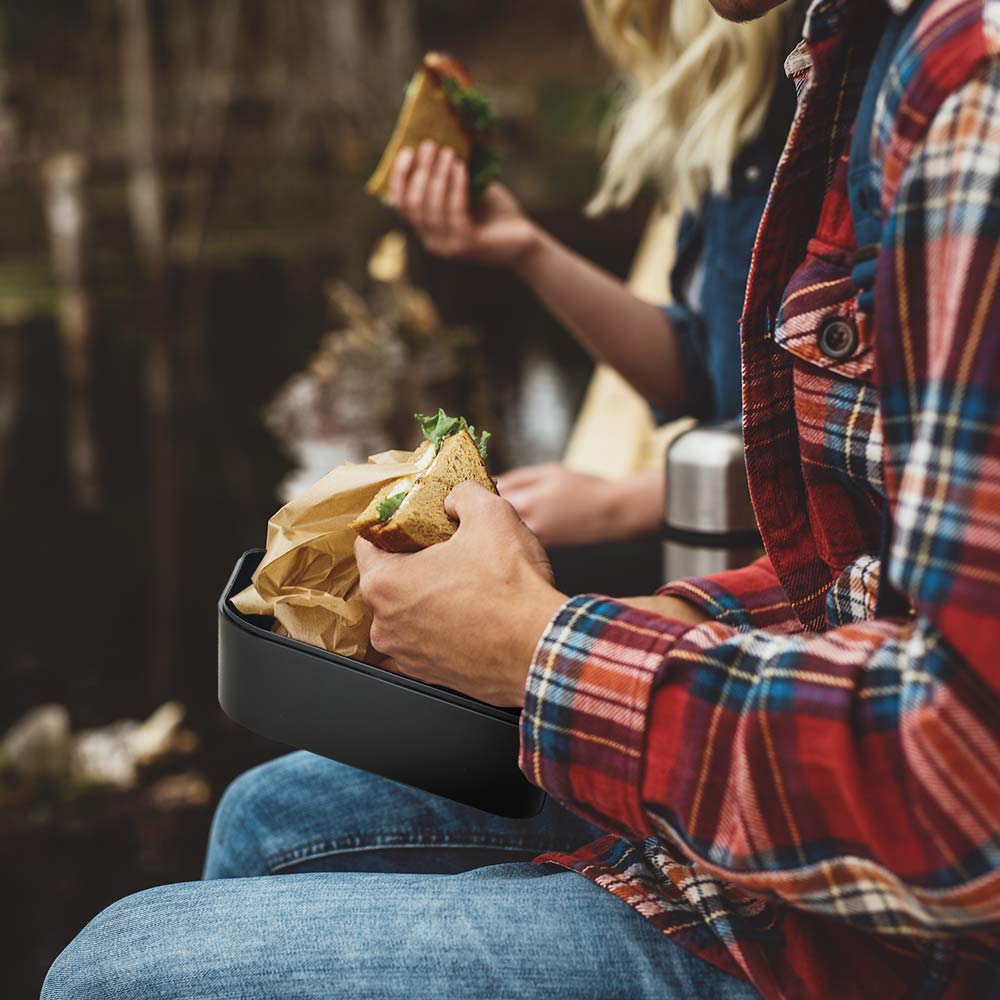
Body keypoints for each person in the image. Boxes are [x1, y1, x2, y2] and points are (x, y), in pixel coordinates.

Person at [42, 1, 1000, 999]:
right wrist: (660, 619)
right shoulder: (851, 55)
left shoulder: (966, 92)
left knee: (122, 967)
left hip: (892, 940)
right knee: (267, 816)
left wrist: (541, 648)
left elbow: (964, 790)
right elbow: (870, 565)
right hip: (817, 771)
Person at [387, 0, 794, 596]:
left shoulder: (825, 97)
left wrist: (625, 501)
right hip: (723, 531)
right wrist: (526, 248)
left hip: (797, 567)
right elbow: (708, 373)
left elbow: (864, 421)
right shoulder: (729, 117)